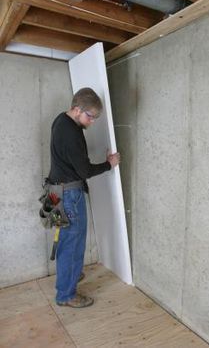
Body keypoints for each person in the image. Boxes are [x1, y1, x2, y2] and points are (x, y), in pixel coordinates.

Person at [48, 87, 120, 308]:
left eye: (95, 118)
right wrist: (110, 164)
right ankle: (66, 295)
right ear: (77, 109)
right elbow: (85, 171)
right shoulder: (72, 133)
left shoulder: (61, 120)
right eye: (90, 116)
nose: (91, 122)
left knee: (65, 241)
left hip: (55, 193)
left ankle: (69, 277)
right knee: (73, 244)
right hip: (69, 196)